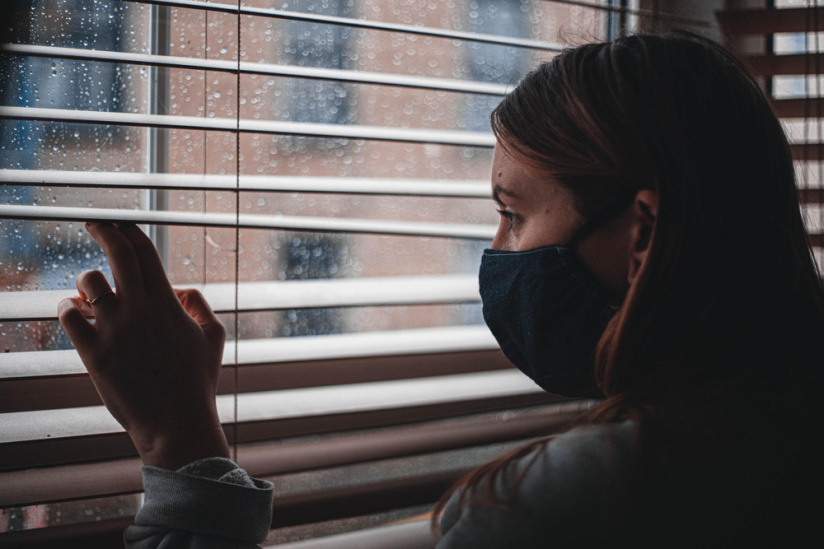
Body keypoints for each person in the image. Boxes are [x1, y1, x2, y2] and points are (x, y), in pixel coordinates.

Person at [57, 32, 824, 548]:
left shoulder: (589, 497)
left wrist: (177, 442)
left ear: (642, 235)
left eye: (512, 214)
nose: (495, 255)